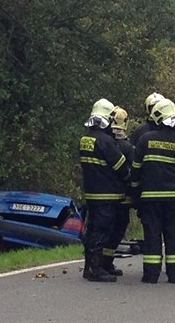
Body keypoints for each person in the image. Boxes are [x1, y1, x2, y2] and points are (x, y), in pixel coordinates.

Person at [131, 99, 175, 284]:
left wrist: (135, 191)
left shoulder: (145, 139)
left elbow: (135, 169)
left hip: (151, 197)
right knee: (174, 235)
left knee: (152, 235)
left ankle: (151, 274)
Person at [79, 98, 131, 282]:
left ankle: (90, 267)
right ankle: (96, 269)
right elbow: (122, 168)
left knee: (93, 229)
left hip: (92, 194)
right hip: (107, 195)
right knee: (101, 232)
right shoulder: (106, 141)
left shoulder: (86, 138)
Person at [99, 106, 134, 277]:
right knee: (117, 229)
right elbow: (132, 171)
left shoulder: (105, 142)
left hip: (105, 193)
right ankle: (106, 262)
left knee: (107, 229)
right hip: (123, 195)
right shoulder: (126, 146)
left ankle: (104, 263)